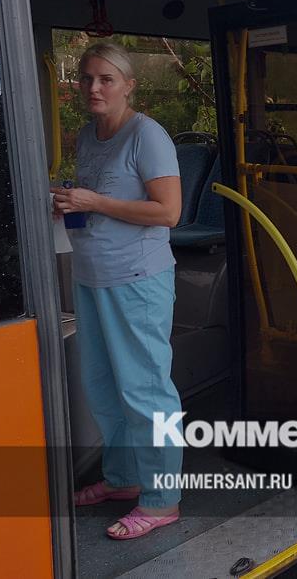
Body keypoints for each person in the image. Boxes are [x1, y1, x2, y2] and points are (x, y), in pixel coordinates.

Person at [51, 42, 184, 540]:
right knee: (104, 388)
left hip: (138, 281)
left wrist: (95, 200)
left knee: (146, 392)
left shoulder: (147, 135)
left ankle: (162, 499)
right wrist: (71, 205)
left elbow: (167, 212)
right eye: (87, 78)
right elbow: (98, 204)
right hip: (91, 276)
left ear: (129, 85)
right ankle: (125, 481)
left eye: (106, 79)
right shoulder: (88, 136)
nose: (94, 88)